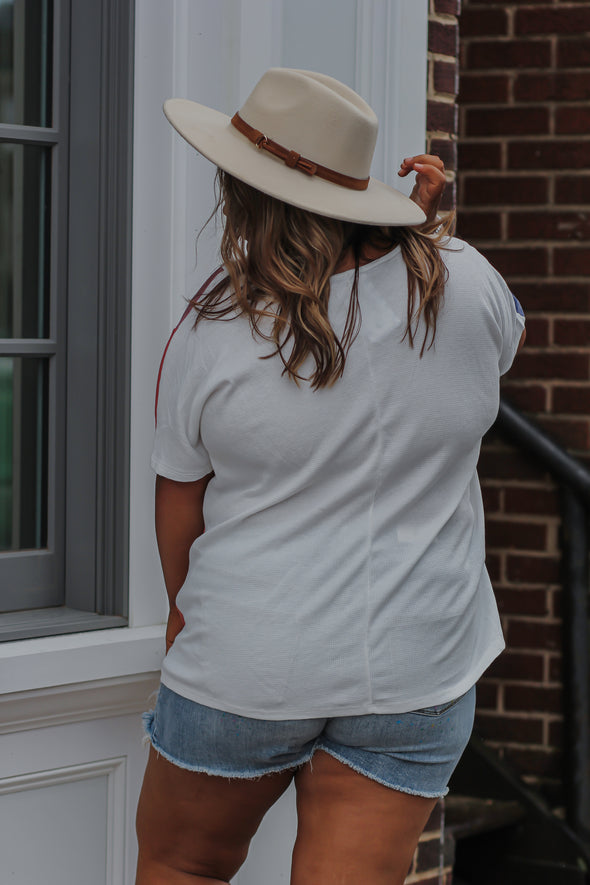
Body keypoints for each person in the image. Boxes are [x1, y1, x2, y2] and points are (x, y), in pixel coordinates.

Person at [136, 68, 526, 885]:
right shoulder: (468, 283)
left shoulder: (219, 324)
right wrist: (420, 239)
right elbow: (468, 351)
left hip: (249, 652)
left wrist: (183, 612)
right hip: (419, 658)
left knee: (184, 863)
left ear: (247, 192)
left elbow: (181, 496)